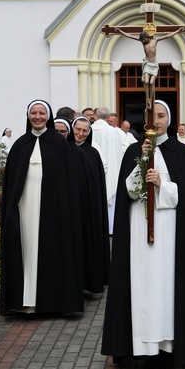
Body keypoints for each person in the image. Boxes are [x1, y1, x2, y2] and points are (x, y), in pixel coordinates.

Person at [102, 100, 185, 369]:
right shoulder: (133, 151)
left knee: (167, 288)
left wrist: (163, 184)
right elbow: (128, 191)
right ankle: (146, 352)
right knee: (143, 287)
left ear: (169, 120)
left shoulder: (181, 152)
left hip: (171, 232)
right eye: (153, 115)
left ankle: (168, 351)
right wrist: (141, 166)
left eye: (162, 116)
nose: (157, 120)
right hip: (139, 230)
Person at [0, 100, 83, 316]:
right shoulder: (20, 145)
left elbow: (68, 181)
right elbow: (11, 184)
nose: (37, 117)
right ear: (28, 116)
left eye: (42, 113)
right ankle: (26, 301)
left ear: (48, 116)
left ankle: (52, 302)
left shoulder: (59, 143)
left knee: (51, 251)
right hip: (25, 207)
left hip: (53, 210)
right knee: (26, 250)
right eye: (34, 113)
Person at [70, 116, 110, 292]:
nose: (80, 134)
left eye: (84, 131)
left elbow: (96, 186)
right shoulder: (65, 150)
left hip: (86, 208)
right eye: (78, 129)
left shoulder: (93, 154)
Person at [115, 27, 185, 108]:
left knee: (151, 83)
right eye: (142, 40)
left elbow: (168, 36)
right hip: (147, 64)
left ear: (147, 37)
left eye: (144, 39)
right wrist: (120, 32)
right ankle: (148, 99)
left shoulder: (155, 41)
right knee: (146, 81)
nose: (143, 41)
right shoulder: (143, 43)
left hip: (154, 64)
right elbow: (130, 36)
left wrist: (178, 31)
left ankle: (151, 98)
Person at [91, 107, 123, 234]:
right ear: (108, 116)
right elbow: (118, 152)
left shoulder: (91, 129)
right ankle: (111, 228)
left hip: (96, 169)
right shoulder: (114, 131)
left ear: (96, 115)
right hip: (113, 169)